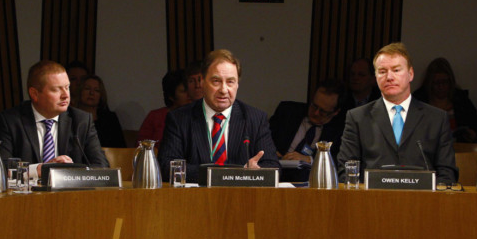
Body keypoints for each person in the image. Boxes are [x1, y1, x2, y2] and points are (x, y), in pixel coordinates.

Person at [337, 42, 458, 184]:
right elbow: (346, 170)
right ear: (375, 77)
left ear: (410, 74)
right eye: (382, 71)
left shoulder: (437, 118)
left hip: (422, 202)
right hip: (372, 201)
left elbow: (447, 172)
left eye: (396, 70)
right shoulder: (357, 117)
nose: (389, 77)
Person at [158, 49, 280, 183]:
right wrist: (228, 174)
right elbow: (167, 168)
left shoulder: (255, 118)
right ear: (203, 83)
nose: (223, 90)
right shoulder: (179, 119)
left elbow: (273, 167)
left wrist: (256, 171)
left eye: (230, 82)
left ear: (237, 84)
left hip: (242, 200)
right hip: (195, 200)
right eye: (216, 81)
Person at [0, 60, 108, 179]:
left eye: (67, 87)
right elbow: (1, 168)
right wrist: (39, 170)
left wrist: (72, 171)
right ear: (34, 94)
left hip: (68, 194)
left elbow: (102, 166)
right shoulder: (10, 121)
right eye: (56, 89)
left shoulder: (81, 120)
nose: (66, 95)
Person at [269, 79, 345, 181]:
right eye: (314, 106)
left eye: (322, 111)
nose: (316, 113)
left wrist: (309, 160)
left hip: (311, 182)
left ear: (335, 112)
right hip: (277, 176)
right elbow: (262, 138)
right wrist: (272, 152)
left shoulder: (340, 131)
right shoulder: (287, 112)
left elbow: (340, 162)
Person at [413, 57, 477, 142]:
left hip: (458, 150)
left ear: (450, 82)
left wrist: (472, 135)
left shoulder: (461, 101)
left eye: (444, 82)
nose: (441, 87)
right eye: (436, 83)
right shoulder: (419, 101)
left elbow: (476, 127)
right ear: (429, 83)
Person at [136, 69, 191, 148]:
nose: (189, 94)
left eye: (190, 90)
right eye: (184, 91)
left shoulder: (198, 114)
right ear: (171, 96)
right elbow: (141, 147)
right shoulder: (155, 117)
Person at [76, 75, 126, 148]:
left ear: (101, 95)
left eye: (96, 90)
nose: (91, 93)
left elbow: (120, 147)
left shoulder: (110, 119)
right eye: (87, 89)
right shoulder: (69, 118)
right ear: (80, 92)